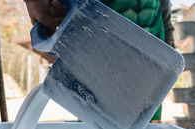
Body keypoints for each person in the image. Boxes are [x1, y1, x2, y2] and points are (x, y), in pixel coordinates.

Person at [24, 0, 174, 121]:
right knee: (97, 117)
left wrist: (168, 30)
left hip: (152, 40)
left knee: (145, 117)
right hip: (102, 36)